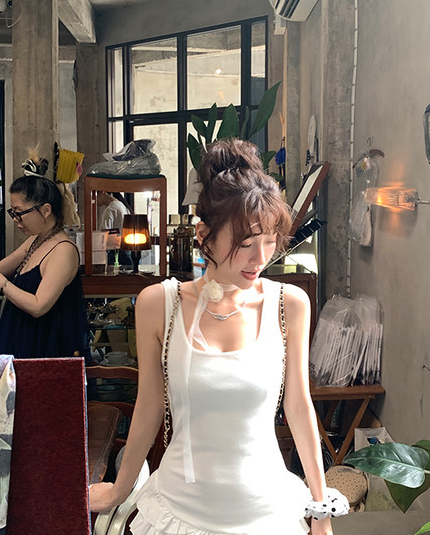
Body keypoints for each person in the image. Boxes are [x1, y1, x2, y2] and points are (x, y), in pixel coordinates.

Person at [89, 139, 348, 534]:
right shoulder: (159, 304)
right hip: (179, 512)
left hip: (267, 515)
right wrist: (118, 491)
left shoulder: (288, 304)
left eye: (269, 242)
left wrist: (320, 511)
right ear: (204, 235)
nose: (260, 259)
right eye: (246, 244)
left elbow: (299, 406)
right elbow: (149, 407)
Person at [0, 176, 89, 359]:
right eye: (13, 212)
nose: (16, 220)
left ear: (46, 210)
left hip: (43, 346)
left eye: (19, 213)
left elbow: (38, 306)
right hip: (20, 336)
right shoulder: (36, 239)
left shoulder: (63, 250)